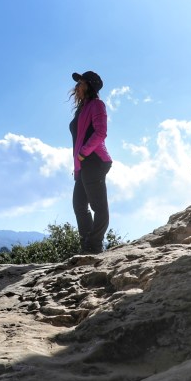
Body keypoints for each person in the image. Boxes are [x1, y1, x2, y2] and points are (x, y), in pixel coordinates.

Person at [69, 70, 113, 254]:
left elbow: (101, 132)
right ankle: (87, 245)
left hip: (94, 160)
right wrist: (78, 163)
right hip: (84, 163)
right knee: (79, 204)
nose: (76, 86)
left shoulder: (97, 105)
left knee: (98, 206)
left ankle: (94, 246)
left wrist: (82, 154)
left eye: (80, 83)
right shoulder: (83, 108)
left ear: (89, 86)